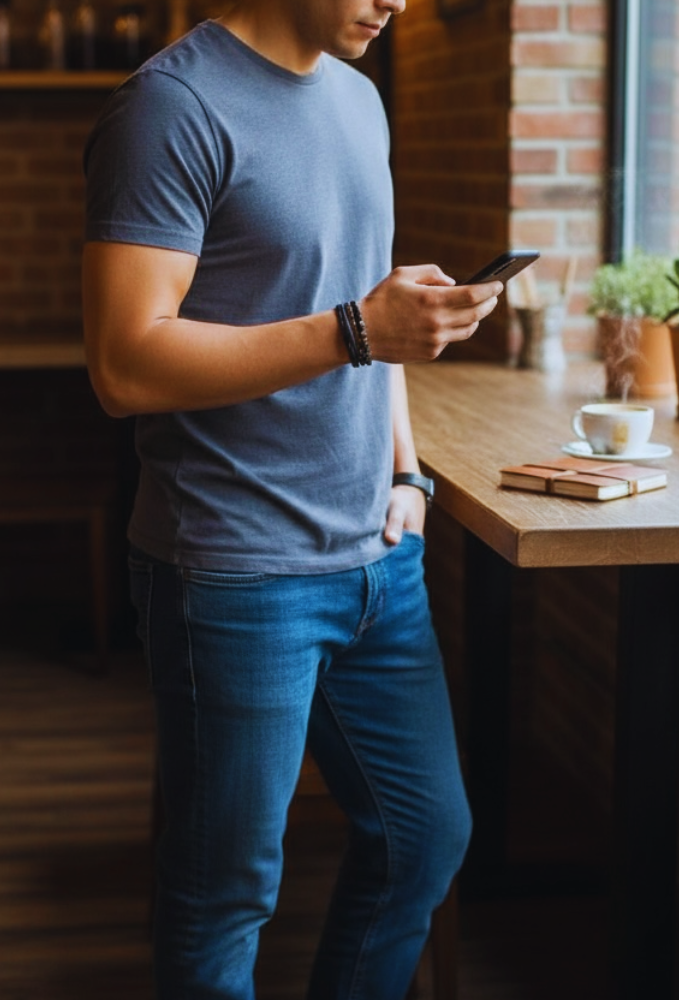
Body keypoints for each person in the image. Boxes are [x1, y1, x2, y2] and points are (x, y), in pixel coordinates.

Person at [81, 2, 503, 996]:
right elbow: (122, 364)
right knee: (223, 893)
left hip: (377, 557)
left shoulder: (360, 101)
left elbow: (372, 318)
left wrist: (405, 473)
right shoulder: (170, 107)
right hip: (233, 570)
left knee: (422, 839)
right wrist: (357, 327)